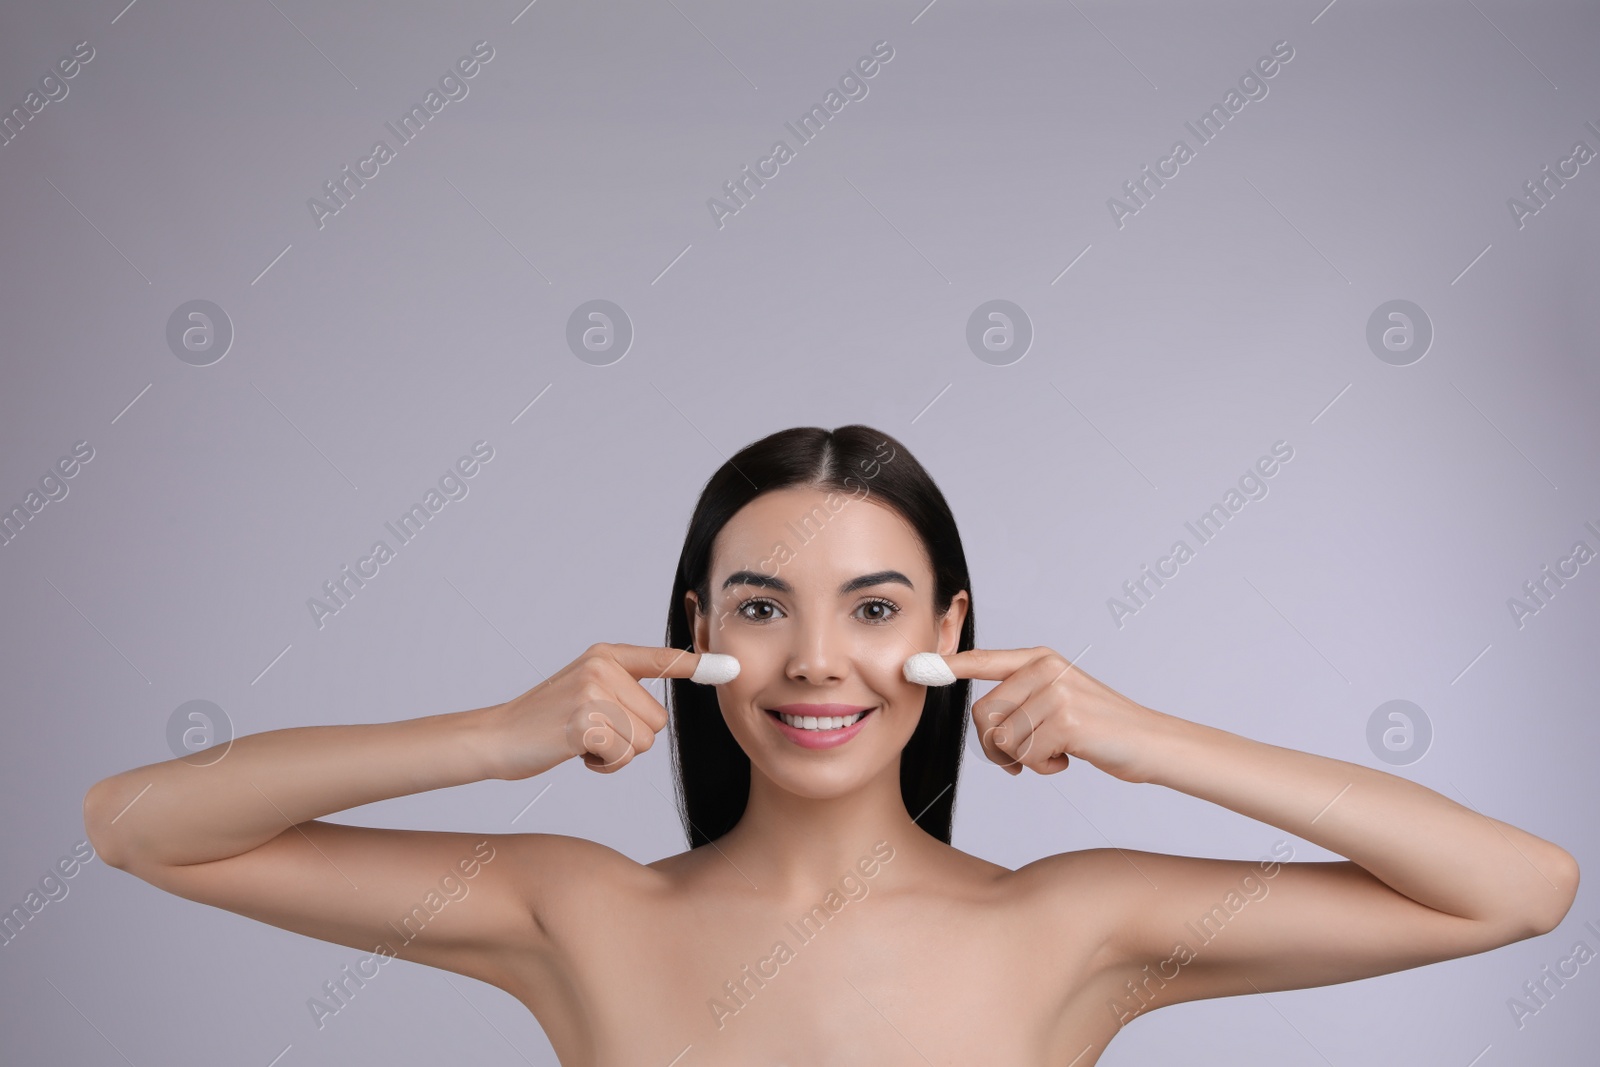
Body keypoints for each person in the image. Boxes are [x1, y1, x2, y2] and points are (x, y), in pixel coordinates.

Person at [83, 424, 1579, 1065]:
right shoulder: (579, 912)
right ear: (694, 631)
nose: (816, 660)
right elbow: (139, 824)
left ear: (953, 625)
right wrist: (493, 735)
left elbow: (1518, 888)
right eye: (763, 605)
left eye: (873, 607)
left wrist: (1144, 735)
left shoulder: (1074, 924)